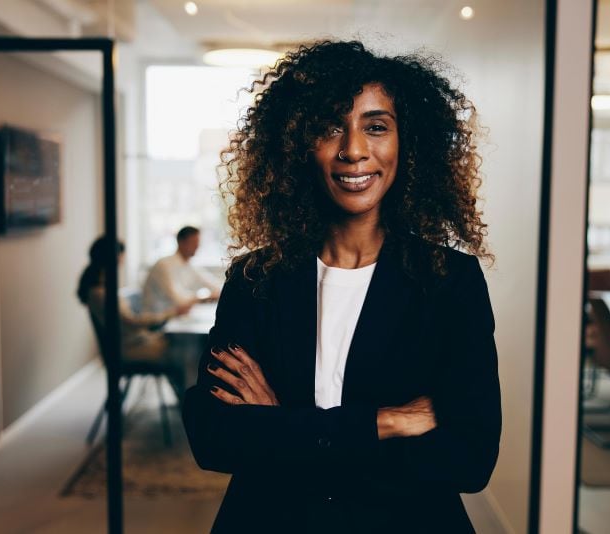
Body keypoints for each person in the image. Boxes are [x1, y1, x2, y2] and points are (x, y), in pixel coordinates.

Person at [182, 40, 501, 533]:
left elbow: (469, 460)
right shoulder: (255, 280)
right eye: (330, 128)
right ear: (297, 147)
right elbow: (214, 438)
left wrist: (284, 425)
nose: (353, 149)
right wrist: (384, 422)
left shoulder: (449, 282)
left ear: (407, 144)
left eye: (376, 127)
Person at [77, 236, 191, 364]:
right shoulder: (101, 294)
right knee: (186, 350)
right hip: (130, 348)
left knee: (182, 344)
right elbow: (131, 321)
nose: (122, 262)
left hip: (134, 342)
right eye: (121, 257)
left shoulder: (100, 290)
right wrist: (170, 314)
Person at [141, 226, 221, 314]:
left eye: (198, 242)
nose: (197, 246)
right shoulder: (164, 265)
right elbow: (178, 299)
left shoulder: (189, 265)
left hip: (174, 317)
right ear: (181, 242)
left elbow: (211, 283)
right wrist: (204, 298)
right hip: (156, 320)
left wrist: (222, 292)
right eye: (193, 242)